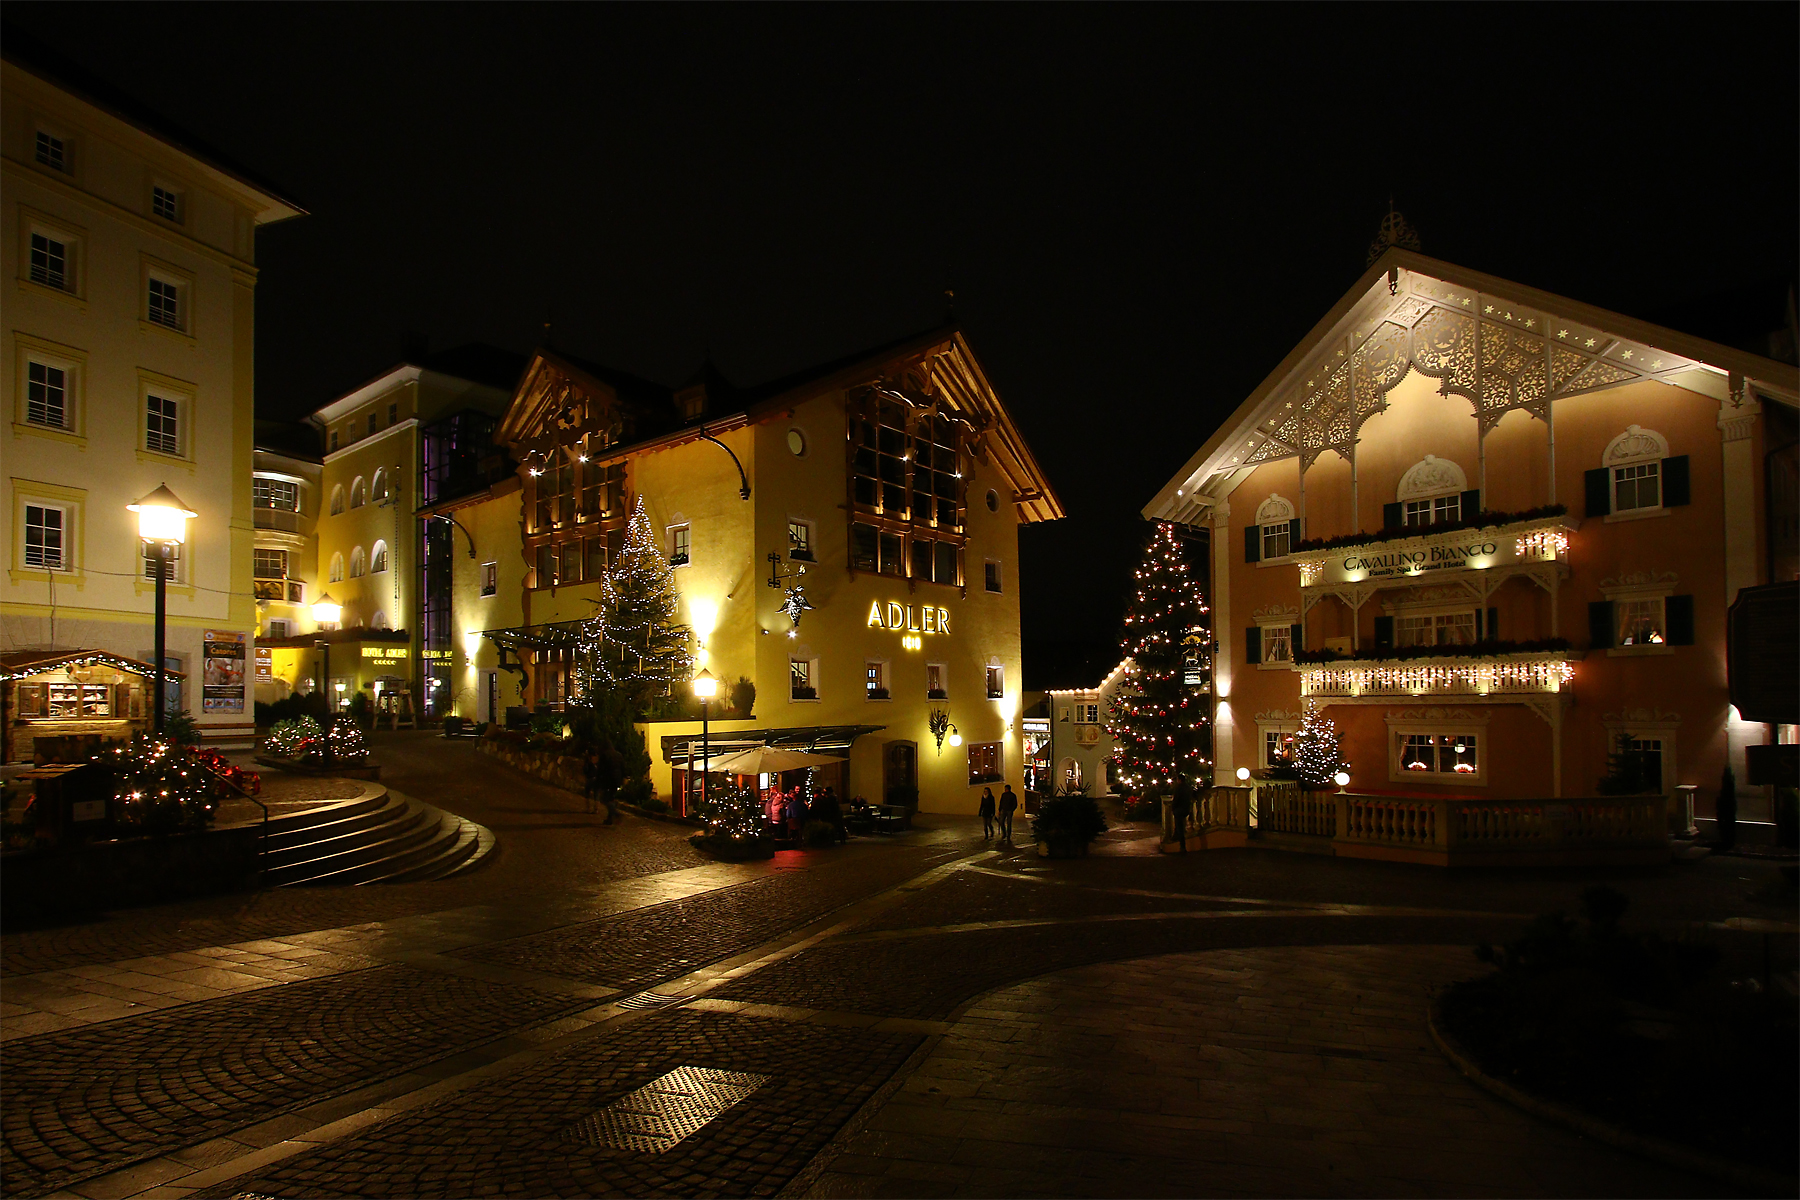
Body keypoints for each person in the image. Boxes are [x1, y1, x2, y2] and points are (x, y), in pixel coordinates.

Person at [598, 739, 626, 825]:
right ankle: (610, 819)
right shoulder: (618, 755)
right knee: (612, 797)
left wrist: (599, 780)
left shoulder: (605, 755)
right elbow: (623, 767)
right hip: (617, 779)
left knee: (604, 798)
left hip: (608, 779)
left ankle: (615, 813)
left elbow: (601, 769)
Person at [1171, 779, 1193, 853]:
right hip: (1186, 809)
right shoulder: (1188, 788)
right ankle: (1180, 842)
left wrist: (1173, 808)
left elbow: (1176, 799)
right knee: (1182, 826)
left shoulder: (1179, 788)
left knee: (1180, 827)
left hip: (1179, 809)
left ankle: (1182, 846)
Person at [581, 747, 603, 815]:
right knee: (596, 794)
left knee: (587, 793)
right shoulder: (598, 760)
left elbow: (585, 769)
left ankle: (588, 808)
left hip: (590, 778)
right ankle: (596, 809)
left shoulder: (588, 760)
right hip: (597, 779)